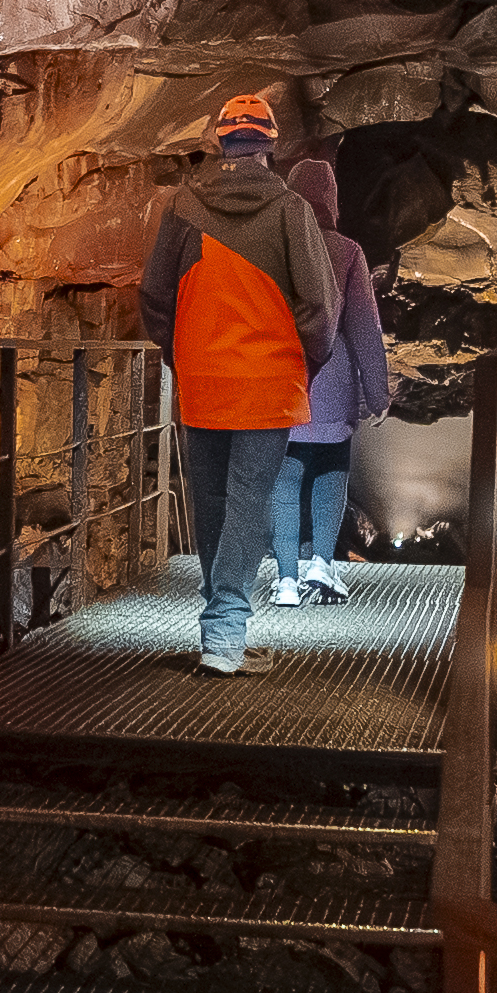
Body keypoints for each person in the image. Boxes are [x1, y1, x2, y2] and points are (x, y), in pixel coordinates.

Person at [138, 91, 337, 676]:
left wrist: (182, 356)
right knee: (251, 501)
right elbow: (319, 306)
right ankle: (224, 637)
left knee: (212, 500)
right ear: (269, 143)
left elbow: (154, 294)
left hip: (202, 378)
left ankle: (218, 631)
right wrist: (301, 365)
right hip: (268, 383)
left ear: (220, 140)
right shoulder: (291, 210)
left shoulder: (183, 205)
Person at [268, 157, 389, 605]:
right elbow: (363, 327)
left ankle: (284, 580)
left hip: (283, 379)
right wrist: (377, 393)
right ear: (331, 202)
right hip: (334, 377)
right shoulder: (346, 251)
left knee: (284, 475)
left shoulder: (273, 246)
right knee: (331, 466)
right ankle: (321, 563)